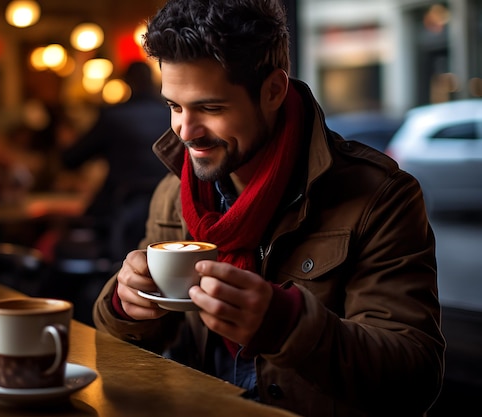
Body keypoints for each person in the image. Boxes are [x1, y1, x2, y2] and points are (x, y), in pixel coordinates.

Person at [92, 1, 445, 416]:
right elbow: (120, 345)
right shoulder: (175, 193)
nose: (185, 131)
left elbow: (414, 377)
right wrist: (125, 304)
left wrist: (288, 325)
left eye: (211, 108)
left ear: (274, 91)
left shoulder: (379, 196)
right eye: (174, 106)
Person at [61, 61, 170, 261]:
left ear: (127, 82)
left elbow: (71, 159)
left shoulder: (114, 118)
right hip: (171, 210)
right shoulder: (171, 115)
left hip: (120, 210)